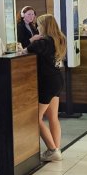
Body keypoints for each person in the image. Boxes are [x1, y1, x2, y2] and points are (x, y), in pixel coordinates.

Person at [28, 13, 66, 162]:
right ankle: (56, 149)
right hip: (57, 80)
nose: (37, 27)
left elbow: (26, 51)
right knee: (53, 117)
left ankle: (52, 149)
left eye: (38, 25)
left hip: (46, 82)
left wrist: (32, 39)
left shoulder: (42, 42)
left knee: (35, 118)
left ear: (44, 26)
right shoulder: (59, 39)